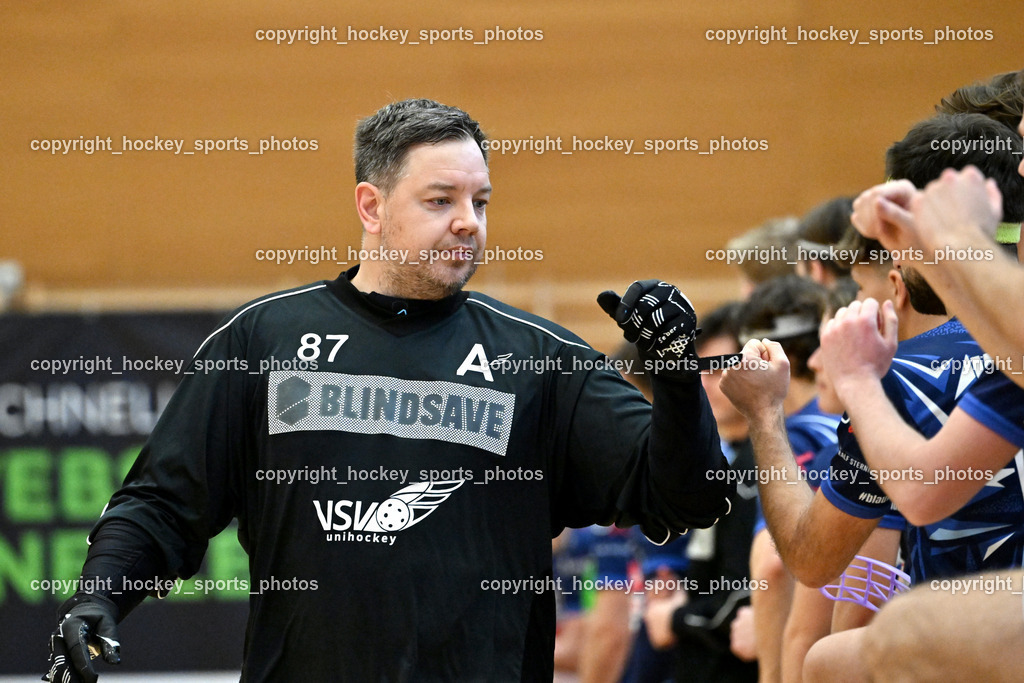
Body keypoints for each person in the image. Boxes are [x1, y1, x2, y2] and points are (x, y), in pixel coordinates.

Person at [45, 99, 733, 682]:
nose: (469, 220)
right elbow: (162, 503)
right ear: (371, 205)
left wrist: (674, 374)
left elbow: (689, 494)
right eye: (441, 200)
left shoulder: (539, 359)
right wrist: (97, 597)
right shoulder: (262, 341)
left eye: (480, 200)